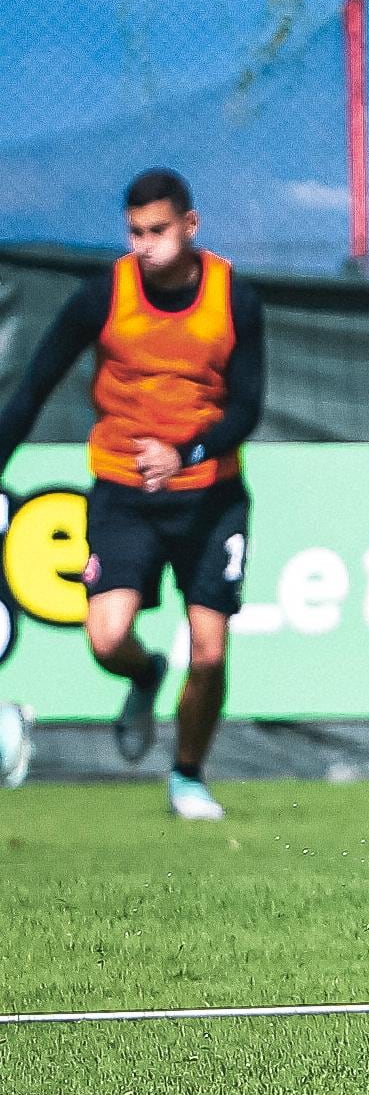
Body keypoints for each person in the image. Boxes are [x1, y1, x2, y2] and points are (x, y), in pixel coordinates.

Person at [0, 168, 263, 819]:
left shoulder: (234, 297)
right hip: (122, 494)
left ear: (190, 226)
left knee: (209, 651)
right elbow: (34, 387)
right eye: (135, 231)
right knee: (107, 638)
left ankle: (187, 775)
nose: (146, 244)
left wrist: (185, 453)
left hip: (211, 494)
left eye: (159, 230)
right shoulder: (103, 295)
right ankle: (145, 677)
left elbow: (248, 408)